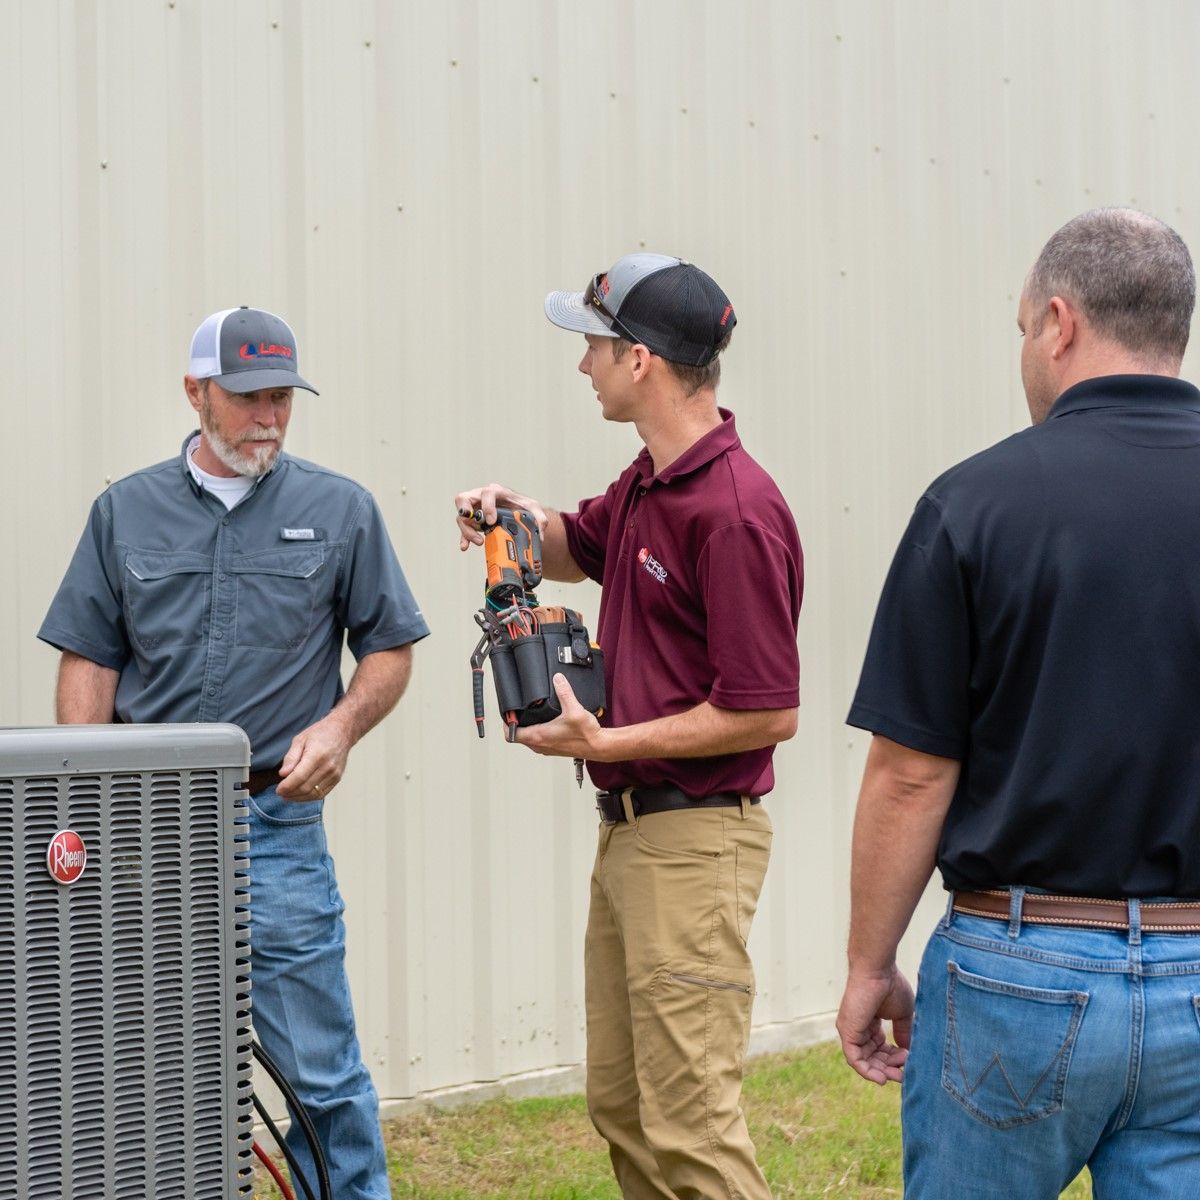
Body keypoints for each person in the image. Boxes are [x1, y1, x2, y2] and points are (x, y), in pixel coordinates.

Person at [837, 208, 1200, 1198]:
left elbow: (912, 776)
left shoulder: (973, 504)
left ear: (1058, 322)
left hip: (1018, 970)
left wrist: (870, 967)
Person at [39, 306, 429, 1200]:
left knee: (321, 1080)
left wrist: (339, 728)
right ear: (195, 392)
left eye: (283, 398)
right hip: (140, 834)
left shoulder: (340, 511)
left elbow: (391, 645)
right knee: (141, 1079)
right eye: (249, 397)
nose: (269, 417)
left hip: (274, 830)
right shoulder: (124, 512)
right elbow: (89, 660)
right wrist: (80, 814)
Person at [455, 254, 803, 1200]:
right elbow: (583, 545)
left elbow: (768, 707)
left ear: (641, 360)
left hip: (694, 842)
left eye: (595, 347)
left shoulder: (732, 513)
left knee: (692, 1129)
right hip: (633, 838)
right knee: (624, 1107)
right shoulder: (653, 482)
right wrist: (515, 517)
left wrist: (609, 746)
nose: (584, 366)